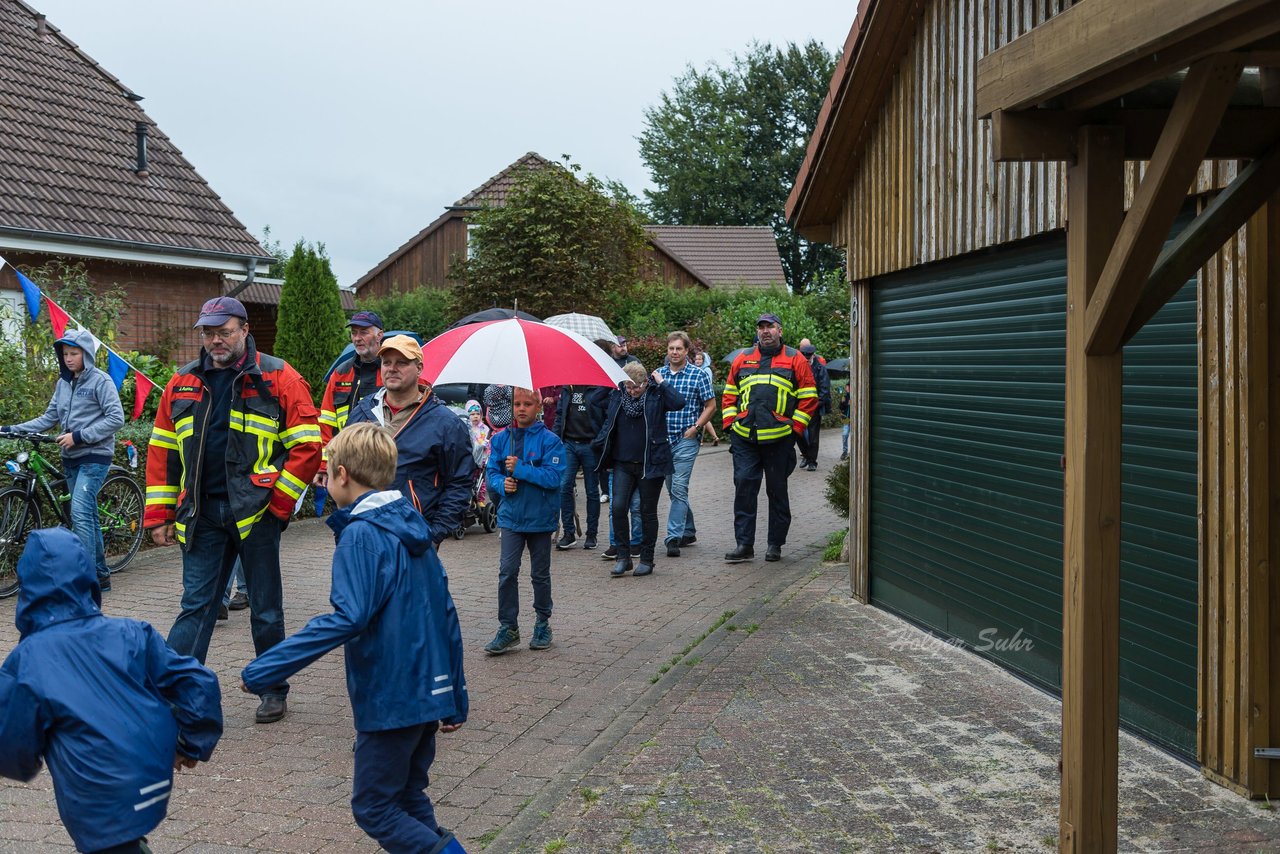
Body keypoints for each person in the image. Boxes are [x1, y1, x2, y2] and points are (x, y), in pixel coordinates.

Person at [241, 423, 467, 854]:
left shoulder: (361, 536)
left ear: (342, 474)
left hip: (391, 695)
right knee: (406, 796)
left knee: (374, 807)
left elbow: (347, 618)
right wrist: (455, 692)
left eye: (326, 470)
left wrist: (265, 668)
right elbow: (446, 614)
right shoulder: (411, 524)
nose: (323, 478)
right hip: (427, 689)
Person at [144, 296, 321, 724]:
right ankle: (172, 693)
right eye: (208, 332)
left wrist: (278, 505)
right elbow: (163, 451)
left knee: (265, 607)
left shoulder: (280, 377)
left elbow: (307, 446)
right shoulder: (181, 381)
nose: (215, 340)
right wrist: (160, 514)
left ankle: (272, 687)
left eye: (223, 331)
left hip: (256, 513)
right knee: (196, 605)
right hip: (202, 513)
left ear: (244, 330)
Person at [0, 528, 223, 854]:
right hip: (154, 775)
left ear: (28, 589)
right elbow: (198, 681)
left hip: (96, 795)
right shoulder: (132, 633)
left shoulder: (28, 660)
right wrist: (189, 744)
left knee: (110, 839)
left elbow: (11, 745)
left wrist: (25, 760)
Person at [0, 328, 125, 591]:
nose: (69, 358)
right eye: (65, 354)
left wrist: (78, 436)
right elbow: (48, 418)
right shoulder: (63, 383)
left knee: (79, 513)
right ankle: (101, 575)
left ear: (86, 354)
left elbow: (116, 419)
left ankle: (86, 581)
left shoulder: (101, 381)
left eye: (74, 353)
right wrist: (13, 428)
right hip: (71, 458)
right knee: (87, 515)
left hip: (95, 456)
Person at [347, 335, 474, 545]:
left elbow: (459, 483)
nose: (392, 368)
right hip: (363, 532)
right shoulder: (363, 412)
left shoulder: (445, 423)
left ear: (419, 368)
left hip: (414, 536)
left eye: (402, 363)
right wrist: (344, 526)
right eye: (386, 362)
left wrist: (434, 534)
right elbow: (343, 470)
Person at [722, 313, 818, 563]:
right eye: (761, 328)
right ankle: (744, 545)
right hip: (745, 438)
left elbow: (809, 397)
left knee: (777, 492)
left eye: (770, 327)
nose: (765, 331)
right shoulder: (743, 358)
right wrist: (731, 425)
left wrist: (795, 429)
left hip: (779, 440)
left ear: (780, 331)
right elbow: (730, 393)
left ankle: (775, 544)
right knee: (744, 488)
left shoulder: (795, 358)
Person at [483, 387, 566, 655]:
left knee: (539, 574)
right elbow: (491, 474)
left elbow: (555, 478)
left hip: (541, 518)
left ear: (538, 405)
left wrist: (521, 470)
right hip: (510, 517)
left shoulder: (550, 440)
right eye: (517, 404)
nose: (521, 409)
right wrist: (501, 482)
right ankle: (508, 627)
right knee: (507, 572)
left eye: (527, 404)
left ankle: (543, 622)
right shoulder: (500, 440)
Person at [594, 362, 685, 578]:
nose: (633, 391)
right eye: (628, 386)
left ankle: (646, 559)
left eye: (637, 387)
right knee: (617, 508)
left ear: (646, 382)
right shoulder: (617, 396)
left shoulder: (656, 395)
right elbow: (594, 400)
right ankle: (623, 558)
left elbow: (679, 402)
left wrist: (662, 383)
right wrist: (610, 380)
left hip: (650, 463)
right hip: (622, 463)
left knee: (647, 511)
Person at [657, 332, 716, 558]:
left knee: (679, 487)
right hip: (663, 441)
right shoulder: (659, 375)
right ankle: (688, 529)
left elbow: (710, 405)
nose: (674, 353)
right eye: (671, 348)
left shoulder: (698, 375)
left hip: (686, 439)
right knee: (673, 489)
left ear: (686, 351)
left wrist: (697, 427)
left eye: (678, 349)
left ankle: (673, 537)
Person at [315, 310, 385, 489]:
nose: (357, 338)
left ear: (379, 336)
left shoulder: (391, 372)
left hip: (383, 466)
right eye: (354, 333)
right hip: (346, 466)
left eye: (364, 332)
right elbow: (325, 424)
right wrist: (323, 466)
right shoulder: (340, 374)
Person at [551, 384, 607, 551]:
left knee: (591, 489)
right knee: (564, 486)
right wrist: (554, 440)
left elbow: (606, 417)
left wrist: (599, 441)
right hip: (568, 443)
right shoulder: (567, 388)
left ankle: (592, 533)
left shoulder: (598, 388)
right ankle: (569, 533)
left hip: (591, 445)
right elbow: (560, 415)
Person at [796, 338, 832, 472]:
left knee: (813, 437)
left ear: (812, 355)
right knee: (798, 433)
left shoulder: (820, 368)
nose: (806, 358)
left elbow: (824, 389)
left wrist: (817, 404)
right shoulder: (798, 366)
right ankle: (806, 455)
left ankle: (812, 462)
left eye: (808, 356)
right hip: (800, 407)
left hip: (814, 408)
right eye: (803, 356)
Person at [692, 350, 720, 445]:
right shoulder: (696, 370)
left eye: (700, 359)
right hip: (698, 396)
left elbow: (707, 384)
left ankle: (701, 440)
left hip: (704, 397)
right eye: (696, 359)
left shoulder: (706, 370)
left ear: (704, 360)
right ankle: (714, 437)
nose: (698, 361)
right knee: (705, 418)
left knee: (702, 417)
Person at [840, 384, 851, 461]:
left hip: (854, 418)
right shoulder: (844, 396)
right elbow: (840, 407)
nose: (847, 388)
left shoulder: (856, 395)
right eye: (846, 387)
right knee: (845, 435)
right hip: (846, 418)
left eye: (848, 387)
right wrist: (845, 403)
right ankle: (844, 452)